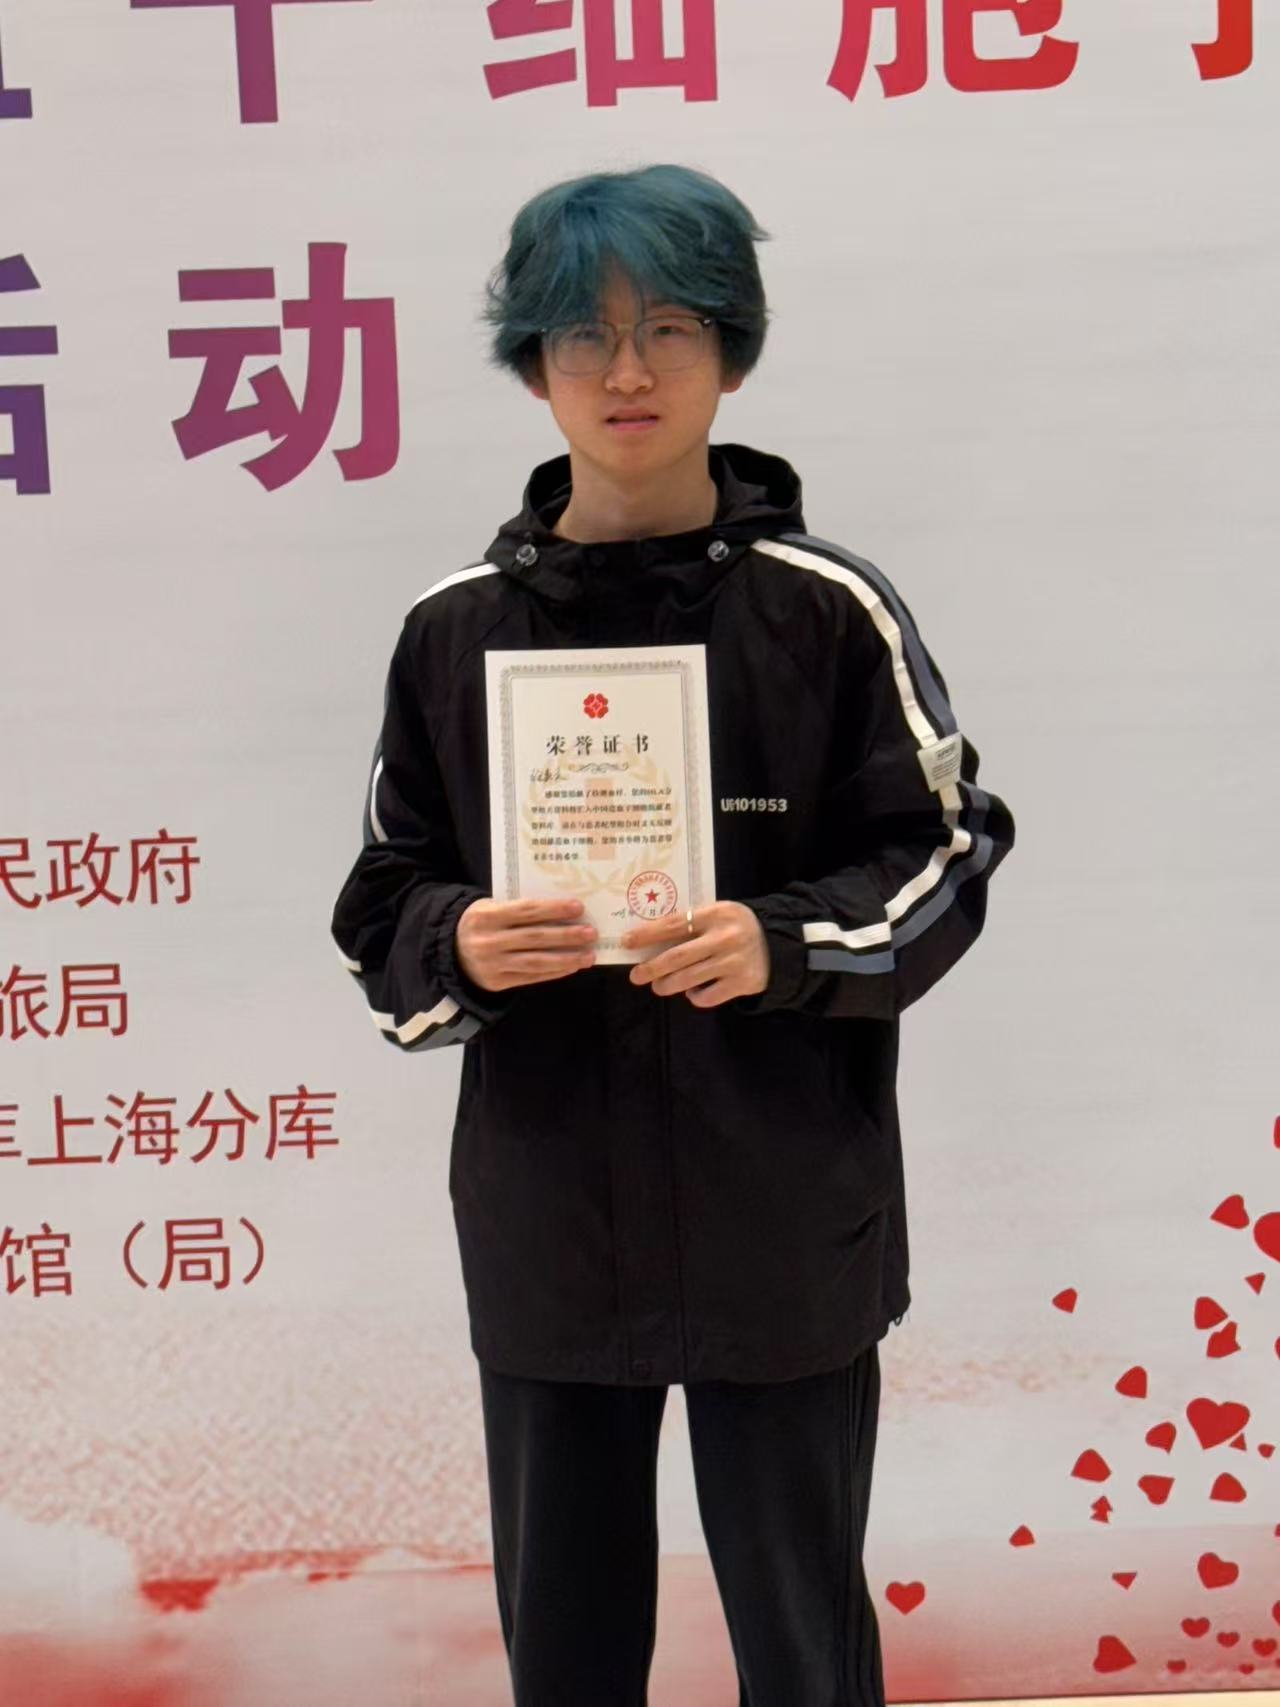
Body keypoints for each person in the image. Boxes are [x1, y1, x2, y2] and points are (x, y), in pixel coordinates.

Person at [330, 162, 1015, 1707]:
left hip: (784, 1211)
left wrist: (787, 944)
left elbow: (948, 845)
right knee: (566, 1647)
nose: (627, 370)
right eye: (586, 333)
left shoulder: (827, 609)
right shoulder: (454, 631)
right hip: (550, 1223)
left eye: (671, 330)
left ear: (733, 355)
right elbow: (383, 896)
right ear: (534, 364)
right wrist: (462, 944)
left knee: (802, 1640)